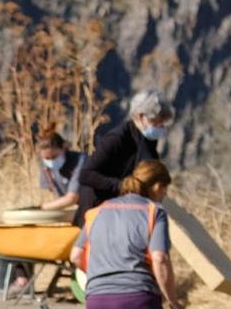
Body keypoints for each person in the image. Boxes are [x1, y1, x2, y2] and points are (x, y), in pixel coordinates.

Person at [70, 159, 184, 309]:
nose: (164, 196)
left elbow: (76, 255)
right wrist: (173, 301)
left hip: (97, 302)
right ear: (156, 187)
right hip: (137, 299)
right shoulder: (154, 211)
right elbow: (160, 259)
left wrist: (101, 276)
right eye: (164, 190)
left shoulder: (97, 211)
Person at [0, 128, 82, 295]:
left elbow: (71, 198)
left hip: (85, 212)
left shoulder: (80, 162)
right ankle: (22, 279)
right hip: (65, 213)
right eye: (46, 158)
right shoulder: (46, 166)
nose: (50, 161)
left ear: (63, 148)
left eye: (53, 157)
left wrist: (42, 209)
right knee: (24, 234)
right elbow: (54, 194)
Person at [74, 89, 173, 222]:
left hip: (125, 208)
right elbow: (86, 175)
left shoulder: (148, 139)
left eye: (163, 122)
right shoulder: (116, 138)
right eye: (156, 121)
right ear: (140, 116)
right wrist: (123, 185)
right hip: (98, 208)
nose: (160, 126)